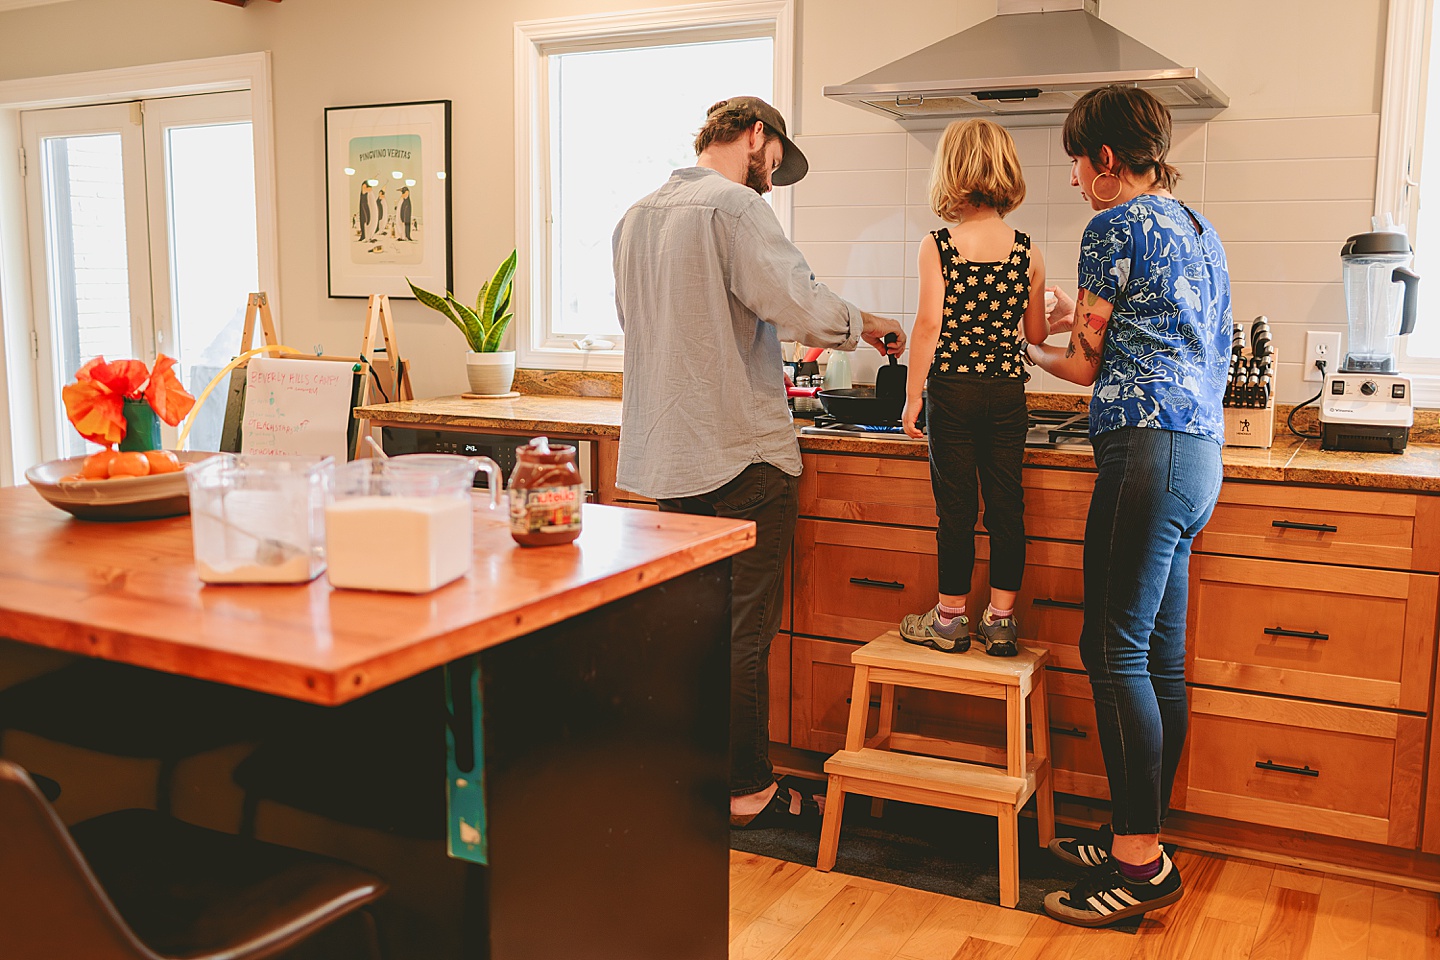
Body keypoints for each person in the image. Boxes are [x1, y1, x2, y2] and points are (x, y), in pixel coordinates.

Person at [612, 96, 906, 829]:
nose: (771, 182)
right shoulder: (736, 209)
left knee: (690, 633)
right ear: (754, 136)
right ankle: (746, 789)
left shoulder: (635, 218)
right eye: (773, 166)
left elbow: (642, 324)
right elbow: (798, 305)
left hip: (669, 456)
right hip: (741, 454)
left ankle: (693, 781)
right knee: (742, 634)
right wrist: (868, 325)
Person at [1024, 85, 1231, 927]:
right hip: (1198, 456)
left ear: (1105, 160)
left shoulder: (1111, 224)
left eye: (1077, 161)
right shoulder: (1195, 227)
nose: (1074, 180)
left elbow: (1083, 368)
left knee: (1109, 650)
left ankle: (1140, 863)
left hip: (1145, 449)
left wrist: (1016, 340)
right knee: (1157, 657)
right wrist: (1082, 322)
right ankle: (1135, 831)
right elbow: (1156, 330)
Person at [899, 119, 1048, 659]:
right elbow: (1033, 335)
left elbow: (926, 327)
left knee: (956, 511)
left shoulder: (938, 246)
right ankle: (1002, 621)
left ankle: (950, 620)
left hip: (952, 393)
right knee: (1007, 508)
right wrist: (1048, 313)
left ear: (951, 173)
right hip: (1007, 393)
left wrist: (913, 396)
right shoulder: (1027, 251)